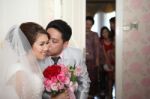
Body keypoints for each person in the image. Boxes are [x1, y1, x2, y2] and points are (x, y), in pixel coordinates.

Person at [40, 19, 90, 99]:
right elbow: (37, 90)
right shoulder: (39, 56)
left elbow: (84, 83)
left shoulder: (76, 55)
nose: (48, 45)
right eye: (47, 39)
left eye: (54, 41)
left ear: (65, 44)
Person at [0, 22, 50, 99]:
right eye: (42, 44)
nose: (46, 48)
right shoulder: (19, 72)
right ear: (27, 45)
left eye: (47, 43)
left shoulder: (33, 64)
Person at [86, 16, 100, 98]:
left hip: (92, 60)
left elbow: (97, 48)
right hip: (81, 59)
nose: (88, 25)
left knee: (92, 78)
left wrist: (97, 60)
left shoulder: (95, 34)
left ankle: (91, 94)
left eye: (90, 24)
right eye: (86, 23)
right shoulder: (79, 33)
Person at [99, 26, 115, 99]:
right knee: (105, 78)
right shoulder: (101, 42)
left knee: (111, 78)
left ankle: (110, 93)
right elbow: (105, 54)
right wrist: (108, 62)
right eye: (103, 33)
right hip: (105, 62)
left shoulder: (113, 40)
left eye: (106, 32)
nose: (104, 34)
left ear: (108, 32)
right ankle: (105, 92)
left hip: (113, 61)